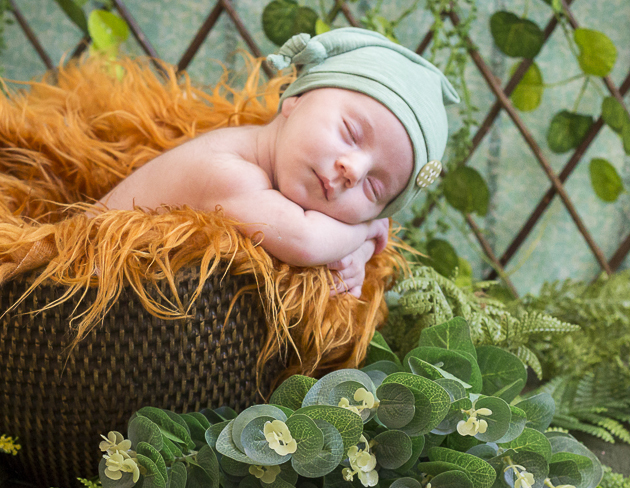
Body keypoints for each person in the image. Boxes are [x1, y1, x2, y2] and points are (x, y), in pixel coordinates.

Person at [99, 28, 460, 298]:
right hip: (76, 288)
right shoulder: (228, 169)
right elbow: (305, 241)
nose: (353, 171)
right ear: (295, 99)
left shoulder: (278, 182)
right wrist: (366, 231)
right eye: (350, 133)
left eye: (374, 188)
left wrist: (360, 253)